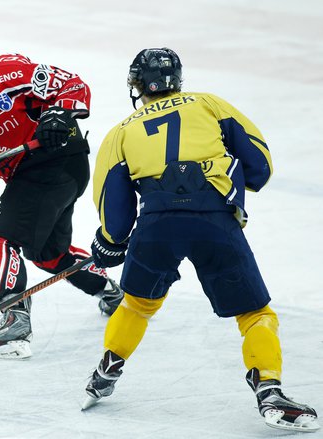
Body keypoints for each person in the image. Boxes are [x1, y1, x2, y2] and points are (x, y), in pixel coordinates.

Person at [82, 47, 319, 432]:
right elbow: (260, 163)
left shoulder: (121, 131)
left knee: (137, 305)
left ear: (137, 84)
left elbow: (113, 200)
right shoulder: (209, 103)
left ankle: (107, 368)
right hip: (214, 223)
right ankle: (269, 388)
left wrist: (111, 241)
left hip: (156, 226)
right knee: (255, 314)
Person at [0, 26, 123, 359]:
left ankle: (14, 319)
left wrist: (59, 113)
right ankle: (111, 292)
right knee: (48, 255)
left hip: (58, 160)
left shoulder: (13, 73)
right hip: (29, 174)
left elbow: (73, 85)